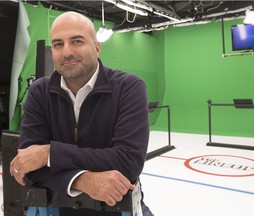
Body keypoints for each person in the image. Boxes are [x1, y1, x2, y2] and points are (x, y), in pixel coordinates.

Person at [9, 11, 154, 216]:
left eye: (77, 41)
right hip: (57, 209)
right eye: (58, 44)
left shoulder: (129, 88)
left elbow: (127, 162)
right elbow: (28, 166)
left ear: (97, 48)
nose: (66, 52)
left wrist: (48, 154)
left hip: (116, 208)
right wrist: (82, 181)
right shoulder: (39, 92)